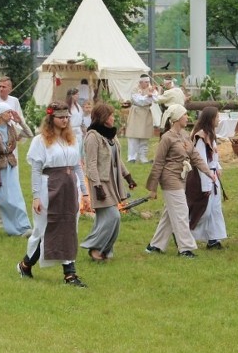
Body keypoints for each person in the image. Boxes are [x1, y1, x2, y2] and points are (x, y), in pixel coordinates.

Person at [18, 101, 89, 286]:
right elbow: (36, 169)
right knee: (45, 229)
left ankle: (70, 274)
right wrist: (35, 196)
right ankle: (26, 264)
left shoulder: (71, 139)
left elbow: (77, 166)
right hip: (48, 186)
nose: (65, 120)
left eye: (67, 117)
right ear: (52, 119)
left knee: (69, 228)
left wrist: (85, 191)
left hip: (69, 187)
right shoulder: (40, 141)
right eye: (61, 117)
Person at [145, 104, 214, 258]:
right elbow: (158, 162)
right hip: (169, 178)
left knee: (170, 214)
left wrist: (208, 172)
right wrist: (153, 187)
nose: (187, 117)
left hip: (182, 178)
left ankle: (155, 245)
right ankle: (185, 248)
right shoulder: (166, 138)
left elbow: (195, 156)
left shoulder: (184, 135)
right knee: (182, 212)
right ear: (176, 118)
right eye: (185, 115)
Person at [81, 103, 136, 261]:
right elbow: (90, 164)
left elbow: (117, 159)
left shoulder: (111, 135)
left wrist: (128, 176)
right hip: (100, 182)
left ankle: (104, 251)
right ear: (104, 118)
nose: (113, 117)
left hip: (112, 181)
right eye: (111, 115)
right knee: (113, 217)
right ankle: (94, 247)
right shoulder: (92, 136)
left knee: (110, 218)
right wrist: (97, 187)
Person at [0, 102, 33, 236]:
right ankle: (12, 228)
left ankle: (24, 227)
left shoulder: (12, 127)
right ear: (0, 114)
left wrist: (20, 122)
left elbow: (29, 134)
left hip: (10, 166)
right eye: (8, 112)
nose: (10, 114)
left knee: (16, 197)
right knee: (4, 199)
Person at [188, 107, 228, 250]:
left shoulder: (210, 134)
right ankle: (185, 234)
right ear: (211, 118)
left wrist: (218, 167)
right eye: (217, 117)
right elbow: (201, 161)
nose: (218, 119)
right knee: (204, 211)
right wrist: (206, 185)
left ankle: (213, 239)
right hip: (204, 178)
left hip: (213, 177)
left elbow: (213, 157)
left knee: (215, 209)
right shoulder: (201, 137)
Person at [126, 74, 156, 163]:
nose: (147, 84)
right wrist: (148, 97)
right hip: (136, 113)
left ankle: (143, 158)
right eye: (145, 82)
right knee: (133, 136)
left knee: (145, 136)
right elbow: (139, 100)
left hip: (146, 114)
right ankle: (132, 157)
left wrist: (149, 96)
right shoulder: (135, 89)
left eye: (148, 82)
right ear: (140, 82)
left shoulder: (151, 89)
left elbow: (154, 99)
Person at [67, 87, 85, 154]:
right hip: (70, 129)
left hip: (78, 130)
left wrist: (83, 129)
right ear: (71, 95)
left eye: (78, 94)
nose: (78, 96)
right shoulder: (67, 107)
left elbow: (82, 118)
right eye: (76, 94)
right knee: (72, 148)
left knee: (80, 148)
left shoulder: (78, 106)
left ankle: (79, 163)